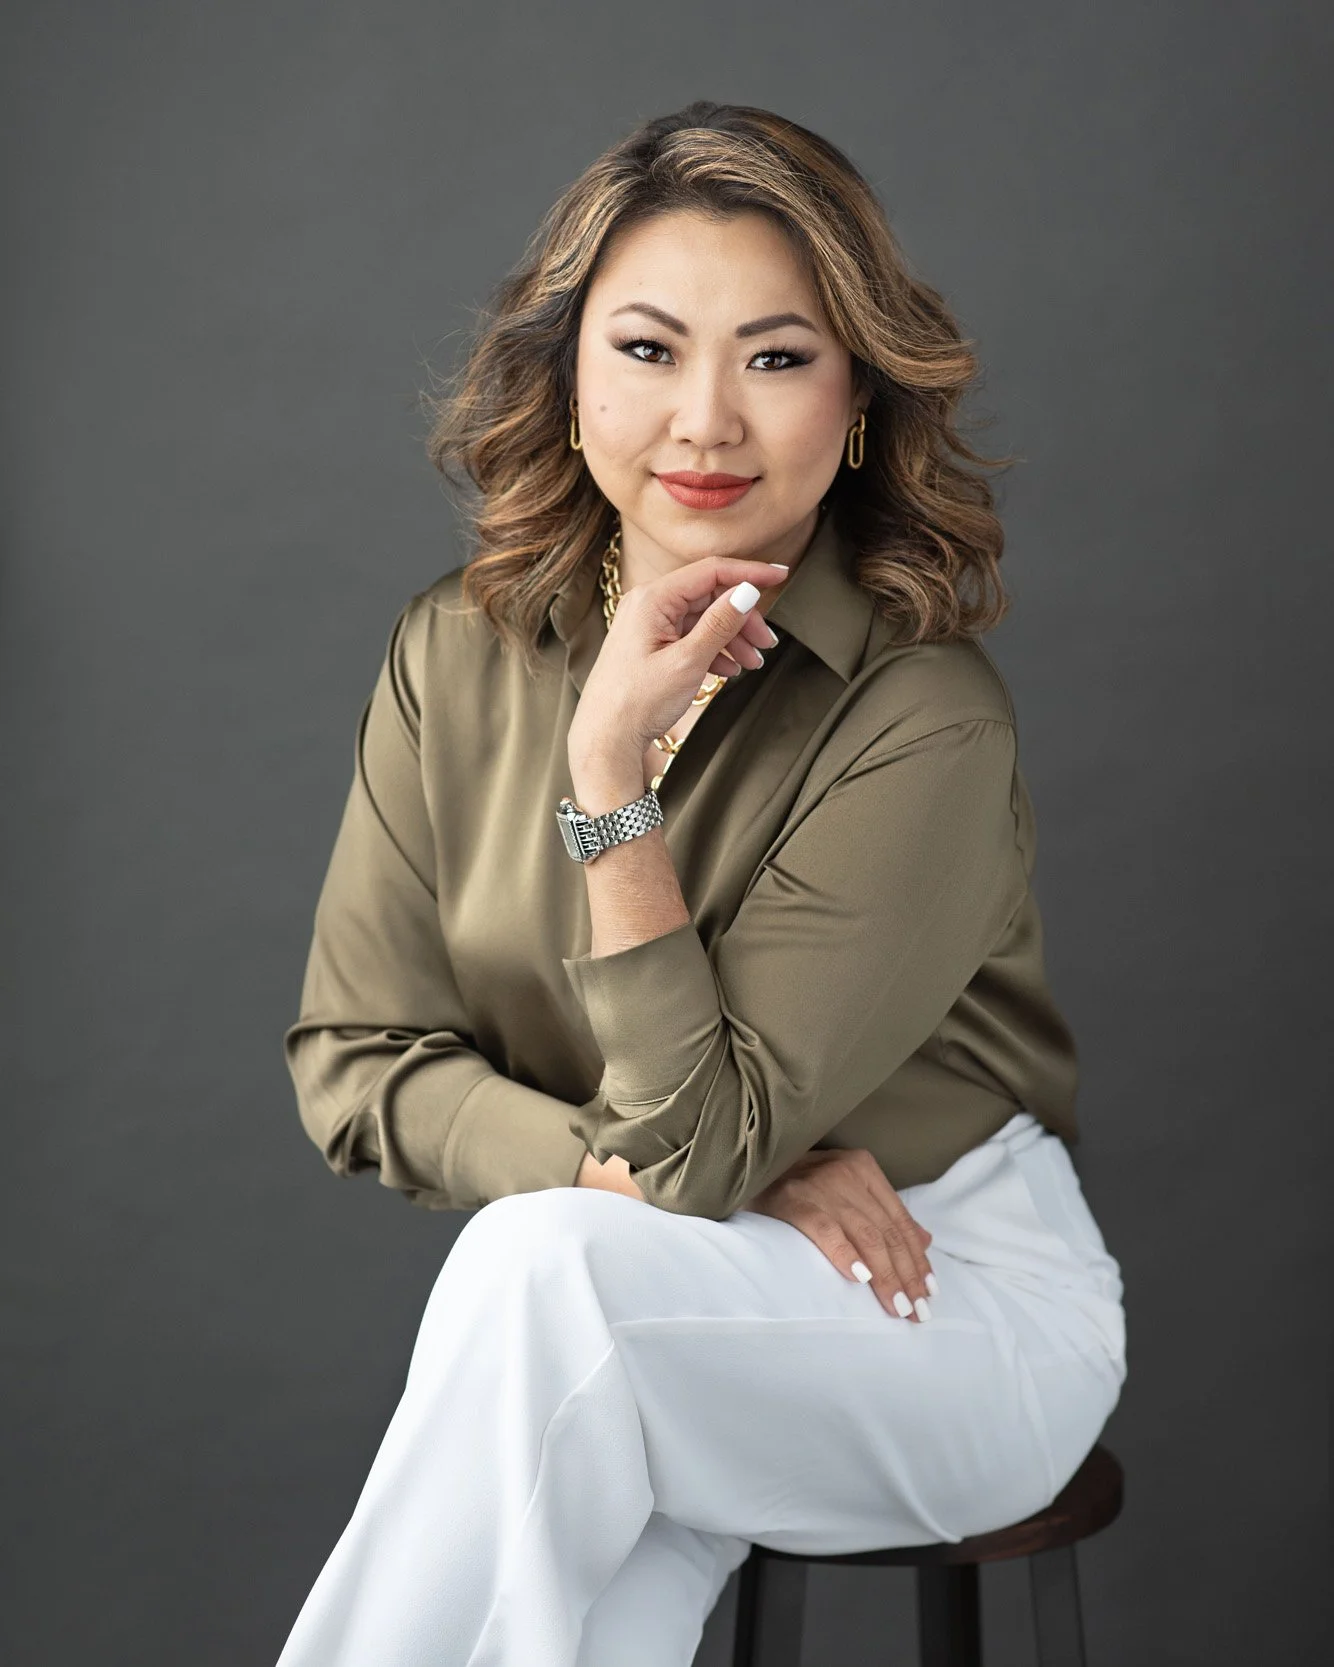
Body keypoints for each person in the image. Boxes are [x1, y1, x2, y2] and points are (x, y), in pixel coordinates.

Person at [273, 101, 1128, 1667]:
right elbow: (355, 1066)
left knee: (540, 1280)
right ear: (570, 373)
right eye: (651, 350)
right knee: (555, 1301)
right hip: (646, 1272)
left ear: (859, 396)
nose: (706, 424)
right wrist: (655, 1179)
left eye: (779, 357)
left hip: (939, 1292)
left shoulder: (918, 713)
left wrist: (608, 780)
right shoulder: (450, 658)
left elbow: (692, 1154)